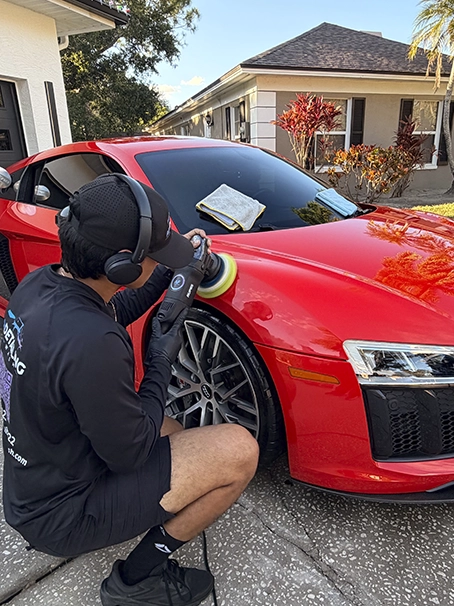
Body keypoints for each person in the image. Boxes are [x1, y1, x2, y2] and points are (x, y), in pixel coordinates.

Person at [0, 173, 259, 606]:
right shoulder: (91, 342)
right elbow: (131, 454)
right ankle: (136, 580)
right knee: (237, 451)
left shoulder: (42, 286)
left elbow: (114, 308)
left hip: (36, 483)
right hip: (63, 514)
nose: (159, 261)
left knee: (177, 433)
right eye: (154, 255)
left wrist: (170, 272)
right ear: (122, 265)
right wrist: (160, 356)